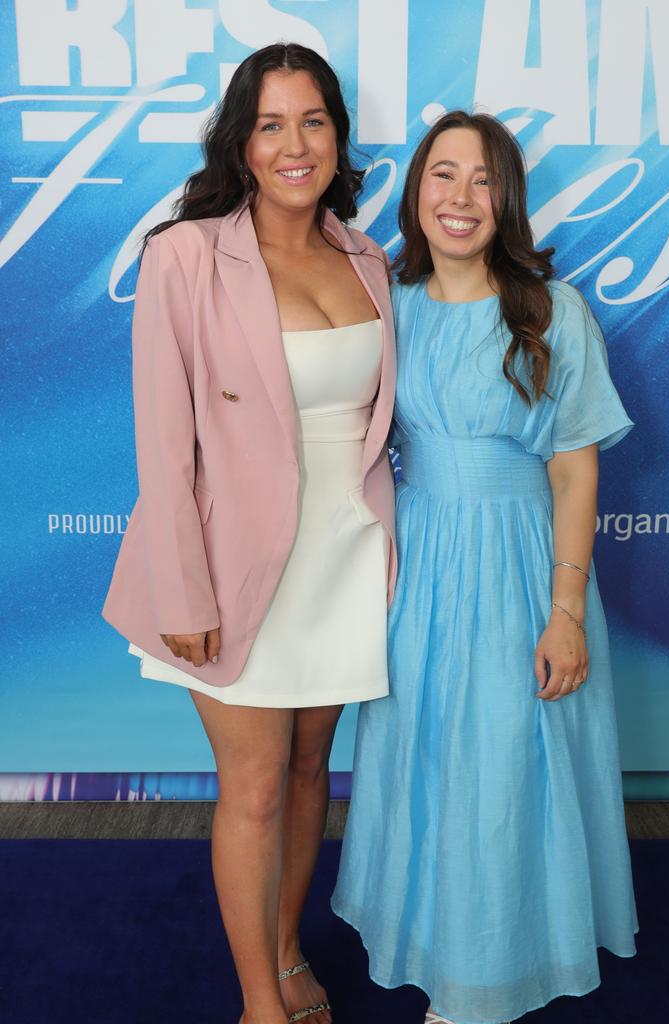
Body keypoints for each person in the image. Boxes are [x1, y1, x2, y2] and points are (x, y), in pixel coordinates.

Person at [103, 43, 396, 1024]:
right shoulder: (184, 256)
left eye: (313, 119)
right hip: (232, 571)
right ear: (241, 140)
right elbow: (163, 443)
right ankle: (260, 1003)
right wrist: (183, 593)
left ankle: (285, 942)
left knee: (315, 772)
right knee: (258, 789)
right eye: (270, 124)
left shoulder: (368, 258)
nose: (294, 143)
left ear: (339, 136)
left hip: (346, 564)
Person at [332, 110, 637, 1024]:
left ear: (508, 200)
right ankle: (433, 942)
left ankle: (489, 978)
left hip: (515, 565)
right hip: (417, 561)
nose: (461, 199)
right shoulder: (389, 304)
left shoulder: (551, 310)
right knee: (427, 757)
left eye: (482, 180)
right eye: (442, 176)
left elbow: (575, 461)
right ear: (416, 190)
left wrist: (567, 610)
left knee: (507, 764)